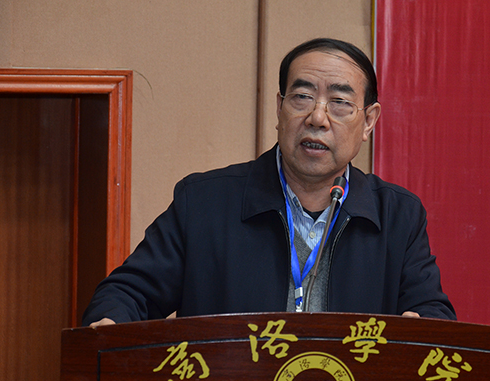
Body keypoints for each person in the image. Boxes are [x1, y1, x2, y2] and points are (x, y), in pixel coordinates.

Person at [83, 38, 455, 327]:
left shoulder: (398, 216)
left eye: (339, 102)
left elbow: (431, 313)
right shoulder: (204, 202)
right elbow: (128, 293)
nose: (317, 118)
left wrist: (425, 327)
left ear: (369, 121)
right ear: (279, 107)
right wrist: (112, 319)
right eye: (302, 97)